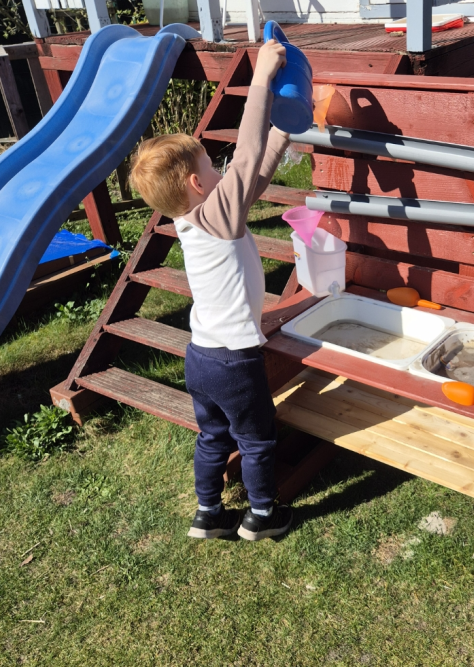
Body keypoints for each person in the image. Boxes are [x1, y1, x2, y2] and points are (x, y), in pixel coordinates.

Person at [129, 39, 295, 541]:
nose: (219, 171)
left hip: (200, 355)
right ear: (199, 185)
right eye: (209, 167)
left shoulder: (193, 217)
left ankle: (207, 512)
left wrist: (284, 131)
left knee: (212, 436)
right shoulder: (216, 212)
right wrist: (262, 79)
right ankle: (262, 515)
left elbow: (253, 175)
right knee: (256, 438)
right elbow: (246, 156)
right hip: (233, 361)